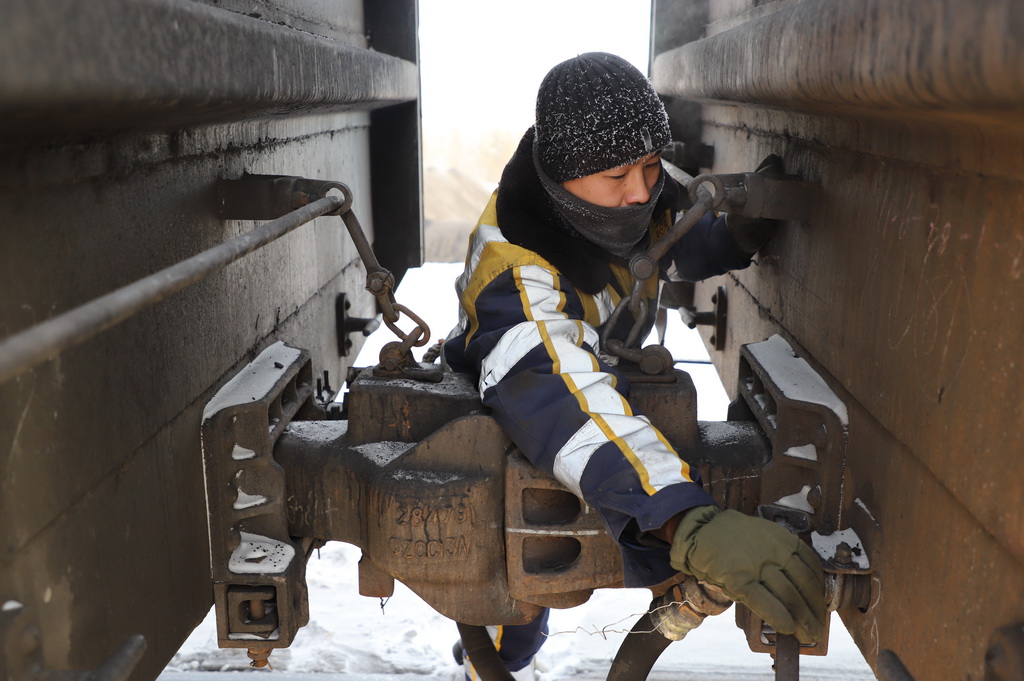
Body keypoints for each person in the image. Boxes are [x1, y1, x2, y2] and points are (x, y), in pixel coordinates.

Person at [442, 52, 825, 680]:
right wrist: (686, 520)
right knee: (520, 593)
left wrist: (734, 236)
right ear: (561, 179)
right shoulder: (514, 277)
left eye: (651, 166)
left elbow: (665, 237)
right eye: (620, 173)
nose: (641, 190)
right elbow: (566, 406)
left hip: (602, 385)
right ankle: (485, 659)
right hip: (527, 404)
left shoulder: (620, 201)